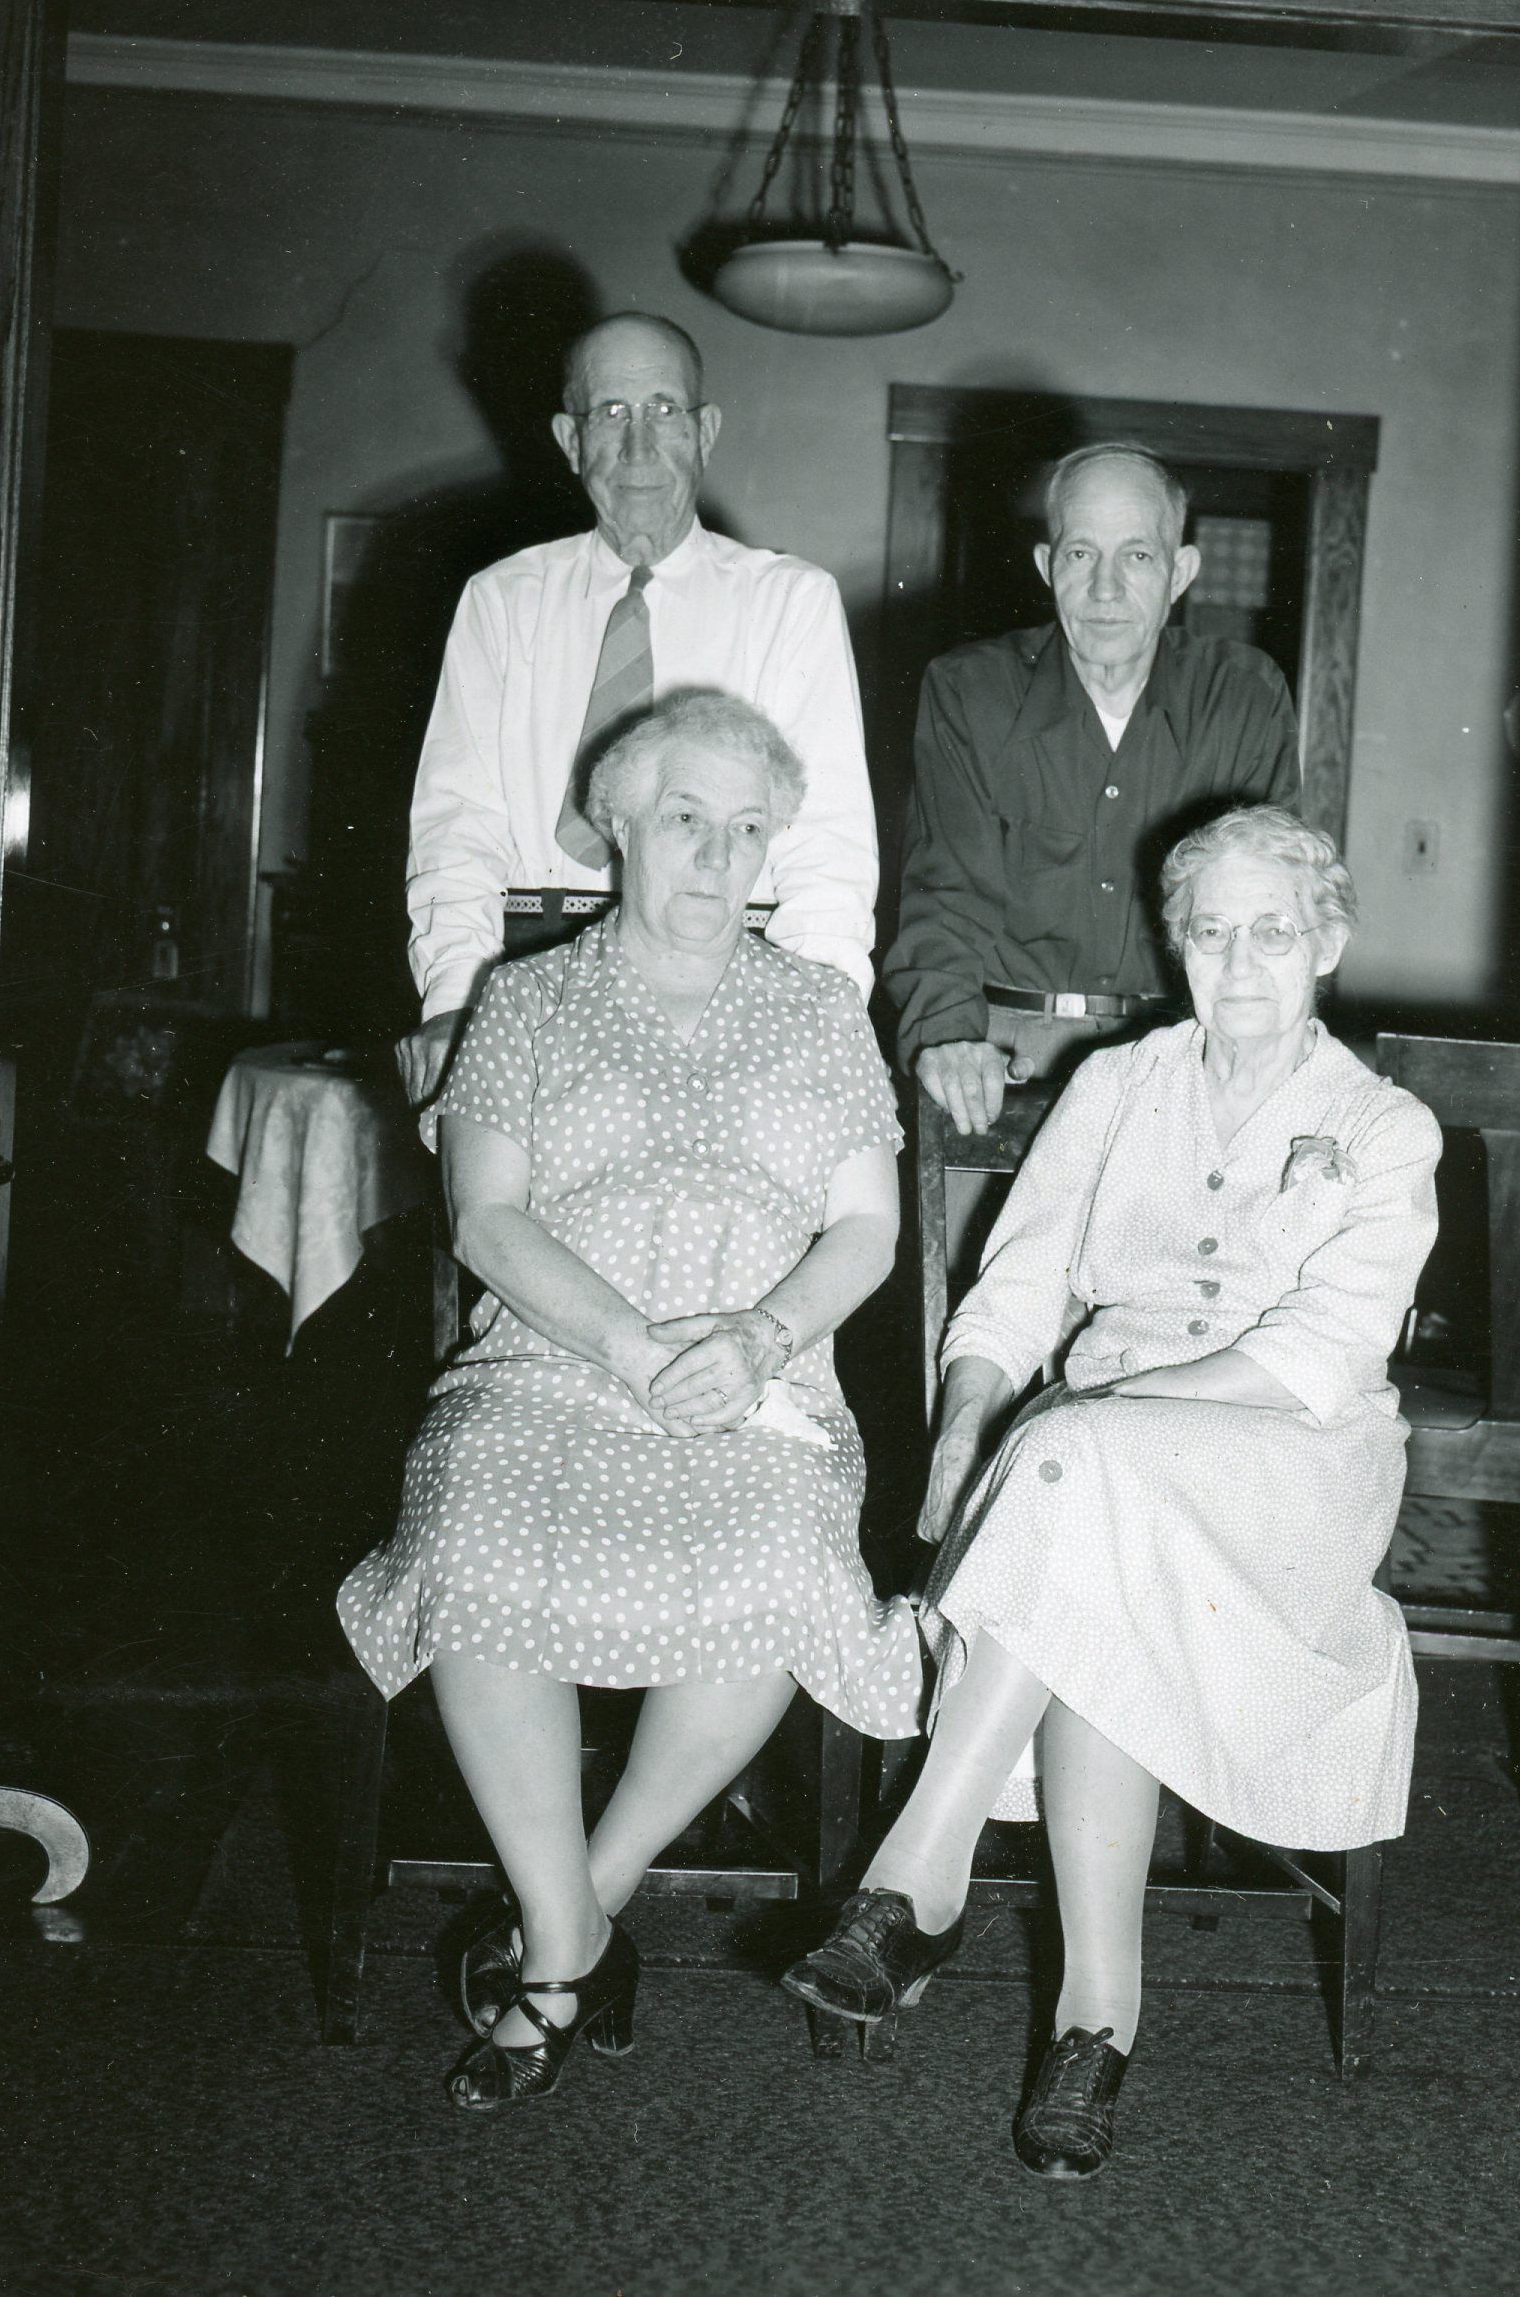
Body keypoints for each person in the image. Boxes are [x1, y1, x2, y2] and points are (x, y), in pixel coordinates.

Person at [786, 804, 1437, 2179]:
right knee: (1094, 1539)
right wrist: (964, 1425)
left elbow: (1321, 1354)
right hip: (1091, 1468)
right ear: (1174, 943)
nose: (1240, 961)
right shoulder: (1117, 1083)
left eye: (1272, 931)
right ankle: (1093, 2023)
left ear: (1328, 942)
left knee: (1087, 1472)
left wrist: (1097, 1416)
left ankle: (918, 1875)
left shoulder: (1381, 1126)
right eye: (1211, 931)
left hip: (1289, 1467)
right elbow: (1019, 1279)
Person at [342, 688, 922, 2111]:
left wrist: (760, 1334)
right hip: (550, 1362)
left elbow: (867, 1230)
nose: (718, 858)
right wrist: (622, 1343)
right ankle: (565, 1937)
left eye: (747, 830)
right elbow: (484, 1218)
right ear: (616, 824)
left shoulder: (819, 1011)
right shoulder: (526, 1000)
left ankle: (573, 1919)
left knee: (781, 1555)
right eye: (685, 819)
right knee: (471, 1521)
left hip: (755, 1377)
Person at [399, 311, 877, 1102]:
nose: (639, 446)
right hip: (528, 968)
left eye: (664, 410)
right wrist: (454, 1000)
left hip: (726, 974)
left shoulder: (789, 603)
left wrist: (815, 1020)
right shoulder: (502, 601)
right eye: (612, 413)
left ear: (706, 431)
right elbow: (458, 824)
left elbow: (828, 847)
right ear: (570, 439)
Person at [884, 441, 1301, 1138]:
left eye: (1137, 556)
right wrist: (948, 1036)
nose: (1106, 589)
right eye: (1081, 554)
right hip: (1003, 1055)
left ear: (1180, 572)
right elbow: (946, 893)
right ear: (1047, 566)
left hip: (1181, 1063)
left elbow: (1272, 912)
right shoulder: (970, 692)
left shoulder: (1243, 697)